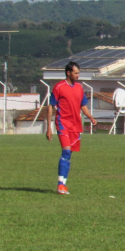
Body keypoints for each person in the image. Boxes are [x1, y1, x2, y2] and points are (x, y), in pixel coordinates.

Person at [46, 61, 96, 195]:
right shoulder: (59, 87)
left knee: (69, 155)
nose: (78, 76)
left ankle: (63, 184)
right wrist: (49, 127)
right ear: (68, 73)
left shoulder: (79, 88)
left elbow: (83, 105)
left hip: (75, 125)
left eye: (79, 73)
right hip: (62, 123)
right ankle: (60, 185)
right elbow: (51, 106)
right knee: (66, 151)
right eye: (76, 73)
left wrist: (90, 117)